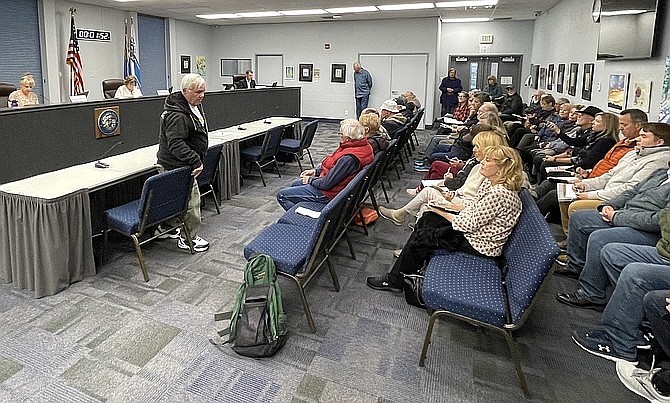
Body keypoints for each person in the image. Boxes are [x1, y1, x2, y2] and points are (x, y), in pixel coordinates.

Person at [367, 145, 523, 292]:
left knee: (425, 234)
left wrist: (439, 210)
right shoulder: (491, 184)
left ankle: (395, 280)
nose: (482, 162)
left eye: (488, 160)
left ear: (502, 167)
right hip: (475, 233)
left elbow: (466, 224)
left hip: (479, 245)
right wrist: (445, 208)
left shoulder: (499, 194)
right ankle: (407, 269)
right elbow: (472, 209)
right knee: (428, 218)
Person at [568, 201, 670, 364]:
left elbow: (660, 219)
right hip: (663, 249)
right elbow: (636, 196)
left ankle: (619, 343)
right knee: (612, 253)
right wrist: (611, 206)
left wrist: (618, 216)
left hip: (660, 244)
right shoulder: (659, 176)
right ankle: (636, 321)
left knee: (635, 275)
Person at [552, 166, 670, 281]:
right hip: (624, 212)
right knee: (579, 217)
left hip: (646, 228)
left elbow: (656, 220)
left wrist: (616, 217)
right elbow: (632, 191)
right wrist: (611, 205)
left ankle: (591, 293)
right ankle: (575, 267)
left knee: (599, 238)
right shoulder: (661, 172)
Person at [378, 131, 509, 227]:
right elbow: (466, 189)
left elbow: (474, 202)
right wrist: (453, 193)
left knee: (427, 200)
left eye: (477, 147)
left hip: (462, 206)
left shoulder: (487, 172)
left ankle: (405, 219)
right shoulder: (480, 165)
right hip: (459, 197)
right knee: (427, 200)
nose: (473, 150)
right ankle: (412, 227)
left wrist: (451, 197)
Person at [156, 73, 210, 252]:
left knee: (173, 199)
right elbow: (176, 144)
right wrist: (195, 160)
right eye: (197, 92)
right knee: (192, 202)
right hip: (177, 165)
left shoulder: (192, 105)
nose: (201, 95)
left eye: (203, 92)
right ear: (185, 91)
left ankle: (166, 228)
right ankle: (188, 238)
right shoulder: (177, 115)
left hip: (179, 164)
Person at [276, 118, 374, 211]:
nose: (339, 135)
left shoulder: (349, 158)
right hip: (337, 189)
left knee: (282, 195)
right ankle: (303, 210)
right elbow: (336, 170)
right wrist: (316, 172)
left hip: (329, 194)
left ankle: (305, 220)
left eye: (341, 134)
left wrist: (310, 180)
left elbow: (327, 184)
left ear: (348, 139)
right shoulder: (363, 147)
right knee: (296, 184)